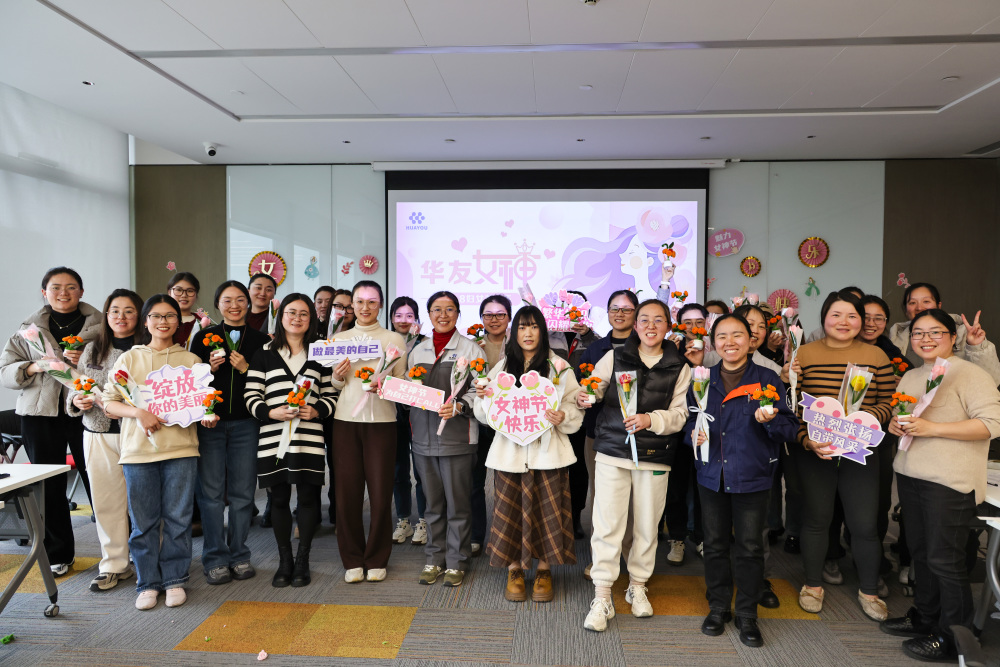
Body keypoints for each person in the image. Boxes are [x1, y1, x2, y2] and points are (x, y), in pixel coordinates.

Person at [881, 308, 1000, 661]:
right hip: (911, 475)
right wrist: (895, 425)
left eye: (935, 332)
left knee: (945, 560)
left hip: (949, 481)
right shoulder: (911, 375)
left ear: (952, 337)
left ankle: (954, 639)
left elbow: (992, 424)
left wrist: (933, 429)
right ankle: (925, 617)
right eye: (918, 333)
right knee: (920, 553)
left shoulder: (971, 374)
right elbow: (902, 417)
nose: (926, 339)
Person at [686, 314, 799, 648]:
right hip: (711, 475)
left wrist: (770, 420)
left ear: (751, 341)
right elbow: (689, 422)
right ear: (713, 343)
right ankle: (719, 607)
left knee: (750, 547)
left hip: (752, 476)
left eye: (738, 335)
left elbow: (789, 428)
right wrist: (693, 434)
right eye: (722, 336)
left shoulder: (766, 379)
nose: (730, 342)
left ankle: (747, 613)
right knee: (715, 544)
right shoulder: (702, 378)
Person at [580, 298, 690, 632]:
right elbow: (594, 387)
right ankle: (602, 595)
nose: (650, 326)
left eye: (658, 320)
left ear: (668, 325)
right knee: (607, 523)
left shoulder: (680, 366)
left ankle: (637, 585)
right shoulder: (616, 356)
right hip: (613, 451)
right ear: (636, 324)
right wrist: (586, 395)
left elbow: (680, 414)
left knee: (646, 525)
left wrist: (650, 419)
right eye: (644, 319)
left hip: (655, 454)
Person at [793, 291, 894, 621]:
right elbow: (792, 405)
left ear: (861, 321)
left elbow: (889, 401)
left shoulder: (876, 355)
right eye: (836, 315)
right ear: (824, 318)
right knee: (816, 520)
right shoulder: (804, 354)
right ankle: (812, 586)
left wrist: (863, 420)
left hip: (859, 451)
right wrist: (806, 440)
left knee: (864, 524)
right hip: (816, 451)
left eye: (852, 316)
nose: (844, 322)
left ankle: (869, 591)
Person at [473, 305, 582, 604]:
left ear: (542, 331)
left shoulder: (559, 366)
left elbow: (573, 402)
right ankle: (515, 569)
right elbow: (486, 414)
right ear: (514, 333)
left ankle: (545, 570)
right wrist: (483, 398)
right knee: (509, 513)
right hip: (509, 455)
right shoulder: (502, 367)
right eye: (522, 327)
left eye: (534, 326)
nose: (528, 333)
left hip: (549, 455)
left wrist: (564, 415)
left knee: (548, 512)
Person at [1, 266, 102, 576]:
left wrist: (86, 361)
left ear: (81, 291)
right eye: (55, 287)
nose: (63, 292)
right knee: (49, 486)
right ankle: (58, 553)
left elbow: (116, 365)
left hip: (88, 411)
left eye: (71, 287)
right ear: (44, 292)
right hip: (39, 416)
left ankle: (118, 552)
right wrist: (33, 367)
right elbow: (5, 372)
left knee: (100, 480)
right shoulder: (28, 330)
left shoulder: (101, 326)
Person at [102, 294, 201, 610]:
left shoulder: (191, 361)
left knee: (178, 520)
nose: (163, 322)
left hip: (181, 450)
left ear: (179, 321)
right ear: (146, 322)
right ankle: (147, 583)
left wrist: (207, 413)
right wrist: (138, 413)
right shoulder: (129, 359)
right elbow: (109, 403)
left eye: (170, 316)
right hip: (138, 452)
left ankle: (174, 579)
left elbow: (202, 403)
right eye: (156, 316)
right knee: (143, 522)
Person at [245, 293, 336, 588]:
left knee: (308, 499)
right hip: (273, 438)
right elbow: (251, 394)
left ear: (312, 319)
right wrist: (270, 412)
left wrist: (317, 410)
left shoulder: (320, 353)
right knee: (279, 499)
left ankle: (303, 560)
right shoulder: (264, 353)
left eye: (303, 314)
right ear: (281, 316)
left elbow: (331, 394)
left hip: (309, 438)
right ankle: (285, 560)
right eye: (291, 312)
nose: (297, 318)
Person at [190, 280, 270, 585]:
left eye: (240, 299)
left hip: (247, 424)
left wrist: (246, 368)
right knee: (210, 494)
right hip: (211, 424)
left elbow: (268, 383)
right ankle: (214, 558)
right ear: (217, 304)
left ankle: (239, 554)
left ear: (248, 303)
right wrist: (208, 370)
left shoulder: (261, 340)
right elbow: (191, 384)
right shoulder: (203, 338)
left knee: (242, 493)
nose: (234, 305)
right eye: (227, 300)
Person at [329, 281, 407, 583]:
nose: (365, 307)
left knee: (380, 492)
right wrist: (337, 377)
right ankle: (351, 558)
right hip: (345, 421)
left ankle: (376, 557)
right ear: (352, 304)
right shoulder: (339, 339)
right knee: (347, 493)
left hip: (382, 422)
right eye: (359, 301)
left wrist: (385, 385)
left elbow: (403, 384)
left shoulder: (394, 339)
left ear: (380, 304)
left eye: (372, 301)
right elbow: (335, 385)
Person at [65, 288, 143, 591]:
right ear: (106, 316)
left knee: (145, 502)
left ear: (139, 315)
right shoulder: (92, 350)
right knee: (106, 502)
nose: (121, 317)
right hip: (98, 434)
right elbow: (77, 386)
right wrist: (77, 401)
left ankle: (149, 559)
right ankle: (114, 564)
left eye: (128, 311)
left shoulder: (147, 349)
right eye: (114, 311)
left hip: (138, 433)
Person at [408, 291, 480, 587]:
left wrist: (460, 406)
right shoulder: (418, 350)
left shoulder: (471, 350)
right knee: (432, 505)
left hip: (458, 439)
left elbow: (482, 391)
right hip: (423, 440)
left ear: (458, 313)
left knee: (458, 504)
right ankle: (434, 558)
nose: (443, 315)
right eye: (437, 309)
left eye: (450, 309)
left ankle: (457, 561)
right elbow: (407, 389)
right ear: (429, 314)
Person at [576, 290, 640, 578]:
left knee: (636, 500)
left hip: (640, 433)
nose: (620, 313)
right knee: (601, 498)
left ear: (636, 314)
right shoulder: (595, 349)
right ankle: (600, 558)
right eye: (615, 308)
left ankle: (633, 557)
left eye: (626, 309)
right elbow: (583, 387)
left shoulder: (647, 346)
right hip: (599, 435)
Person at [887, 282, 1000, 385]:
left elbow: (991, 381)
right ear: (906, 309)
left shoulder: (965, 334)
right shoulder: (895, 339)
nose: (919, 307)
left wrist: (976, 347)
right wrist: (905, 385)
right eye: (912, 303)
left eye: (926, 301)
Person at [469, 294, 512, 556]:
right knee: (475, 481)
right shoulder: (472, 346)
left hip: (509, 422)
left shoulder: (519, 344)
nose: (494, 320)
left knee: (505, 483)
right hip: (478, 419)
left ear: (509, 317)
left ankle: (503, 537)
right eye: (488, 315)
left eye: (500, 314)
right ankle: (476, 535)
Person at [389, 295, 427, 545]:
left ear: (416, 318)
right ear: (391, 318)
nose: (403, 320)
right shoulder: (384, 341)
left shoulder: (426, 343)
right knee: (398, 469)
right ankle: (403, 519)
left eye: (409, 315)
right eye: (398, 315)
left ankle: (424, 520)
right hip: (391, 412)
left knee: (423, 469)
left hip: (419, 412)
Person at [167, 272, 203, 349]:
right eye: (178, 290)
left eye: (190, 291)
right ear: (169, 293)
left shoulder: (202, 324)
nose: (184, 295)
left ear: (196, 294)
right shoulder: (160, 321)